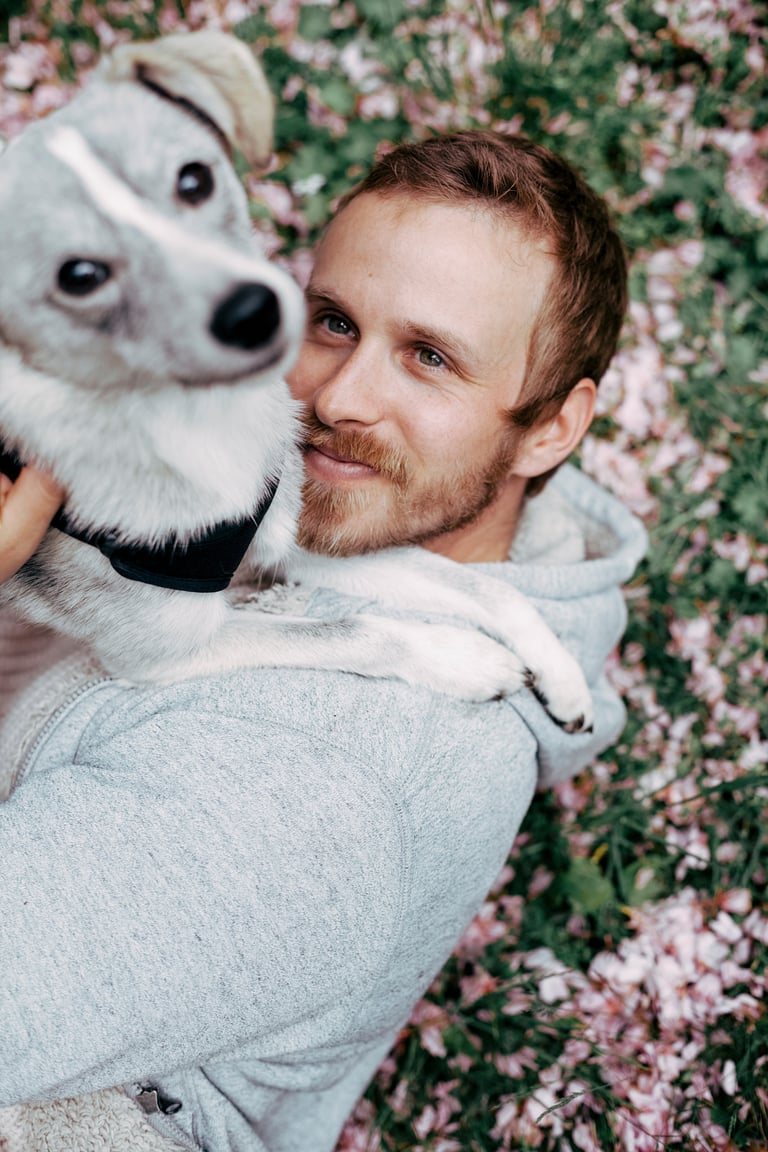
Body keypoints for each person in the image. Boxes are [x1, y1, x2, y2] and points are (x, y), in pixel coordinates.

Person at [0, 131, 647, 1152]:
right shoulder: (442, 527)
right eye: (334, 321)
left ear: (552, 429)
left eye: (430, 357)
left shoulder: (314, 793)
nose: (338, 400)